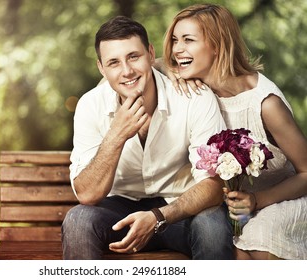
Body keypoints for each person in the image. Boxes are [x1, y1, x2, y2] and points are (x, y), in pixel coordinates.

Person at [61, 15, 234, 260]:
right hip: (118, 212)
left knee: (212, 229)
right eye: (114, 62)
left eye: (134, 56)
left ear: (151, 54)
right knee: (78, 220)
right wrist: (117, 135)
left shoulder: (195, 97)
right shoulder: (90, 105)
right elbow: (87, 194)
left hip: (179, 208)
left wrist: (158, 216)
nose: (127, 71)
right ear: (101, 68)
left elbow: (214, 186)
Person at [161, 3, 307, 259]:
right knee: (233, 246)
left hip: (284, 200)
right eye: (174, 40)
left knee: (259, 240)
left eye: (188, 40)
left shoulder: (265, 103)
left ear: (217, 45)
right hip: (235, 209)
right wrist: (166, 68)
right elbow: (141, 62)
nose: (177, 49)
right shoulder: (198, 92)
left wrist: (257, 200)